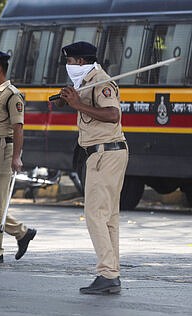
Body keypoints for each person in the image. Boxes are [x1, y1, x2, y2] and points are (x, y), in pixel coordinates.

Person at [57, 41, 128, 295]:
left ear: (81, 62)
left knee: (95, 214)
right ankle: (111, 273)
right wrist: (72, 101)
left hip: (105, 153)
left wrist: (78, 105)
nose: (68, 66)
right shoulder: (86, 81)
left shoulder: (101, 81)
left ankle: (107, 273)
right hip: (101, 153)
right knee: (108, 216)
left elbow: (112, 115)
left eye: (70, 62)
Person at [0, 51, 37, 265]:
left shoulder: (12, 95)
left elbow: (18, 128)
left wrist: (17, 156)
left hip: (4, 150)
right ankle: (22, 232)